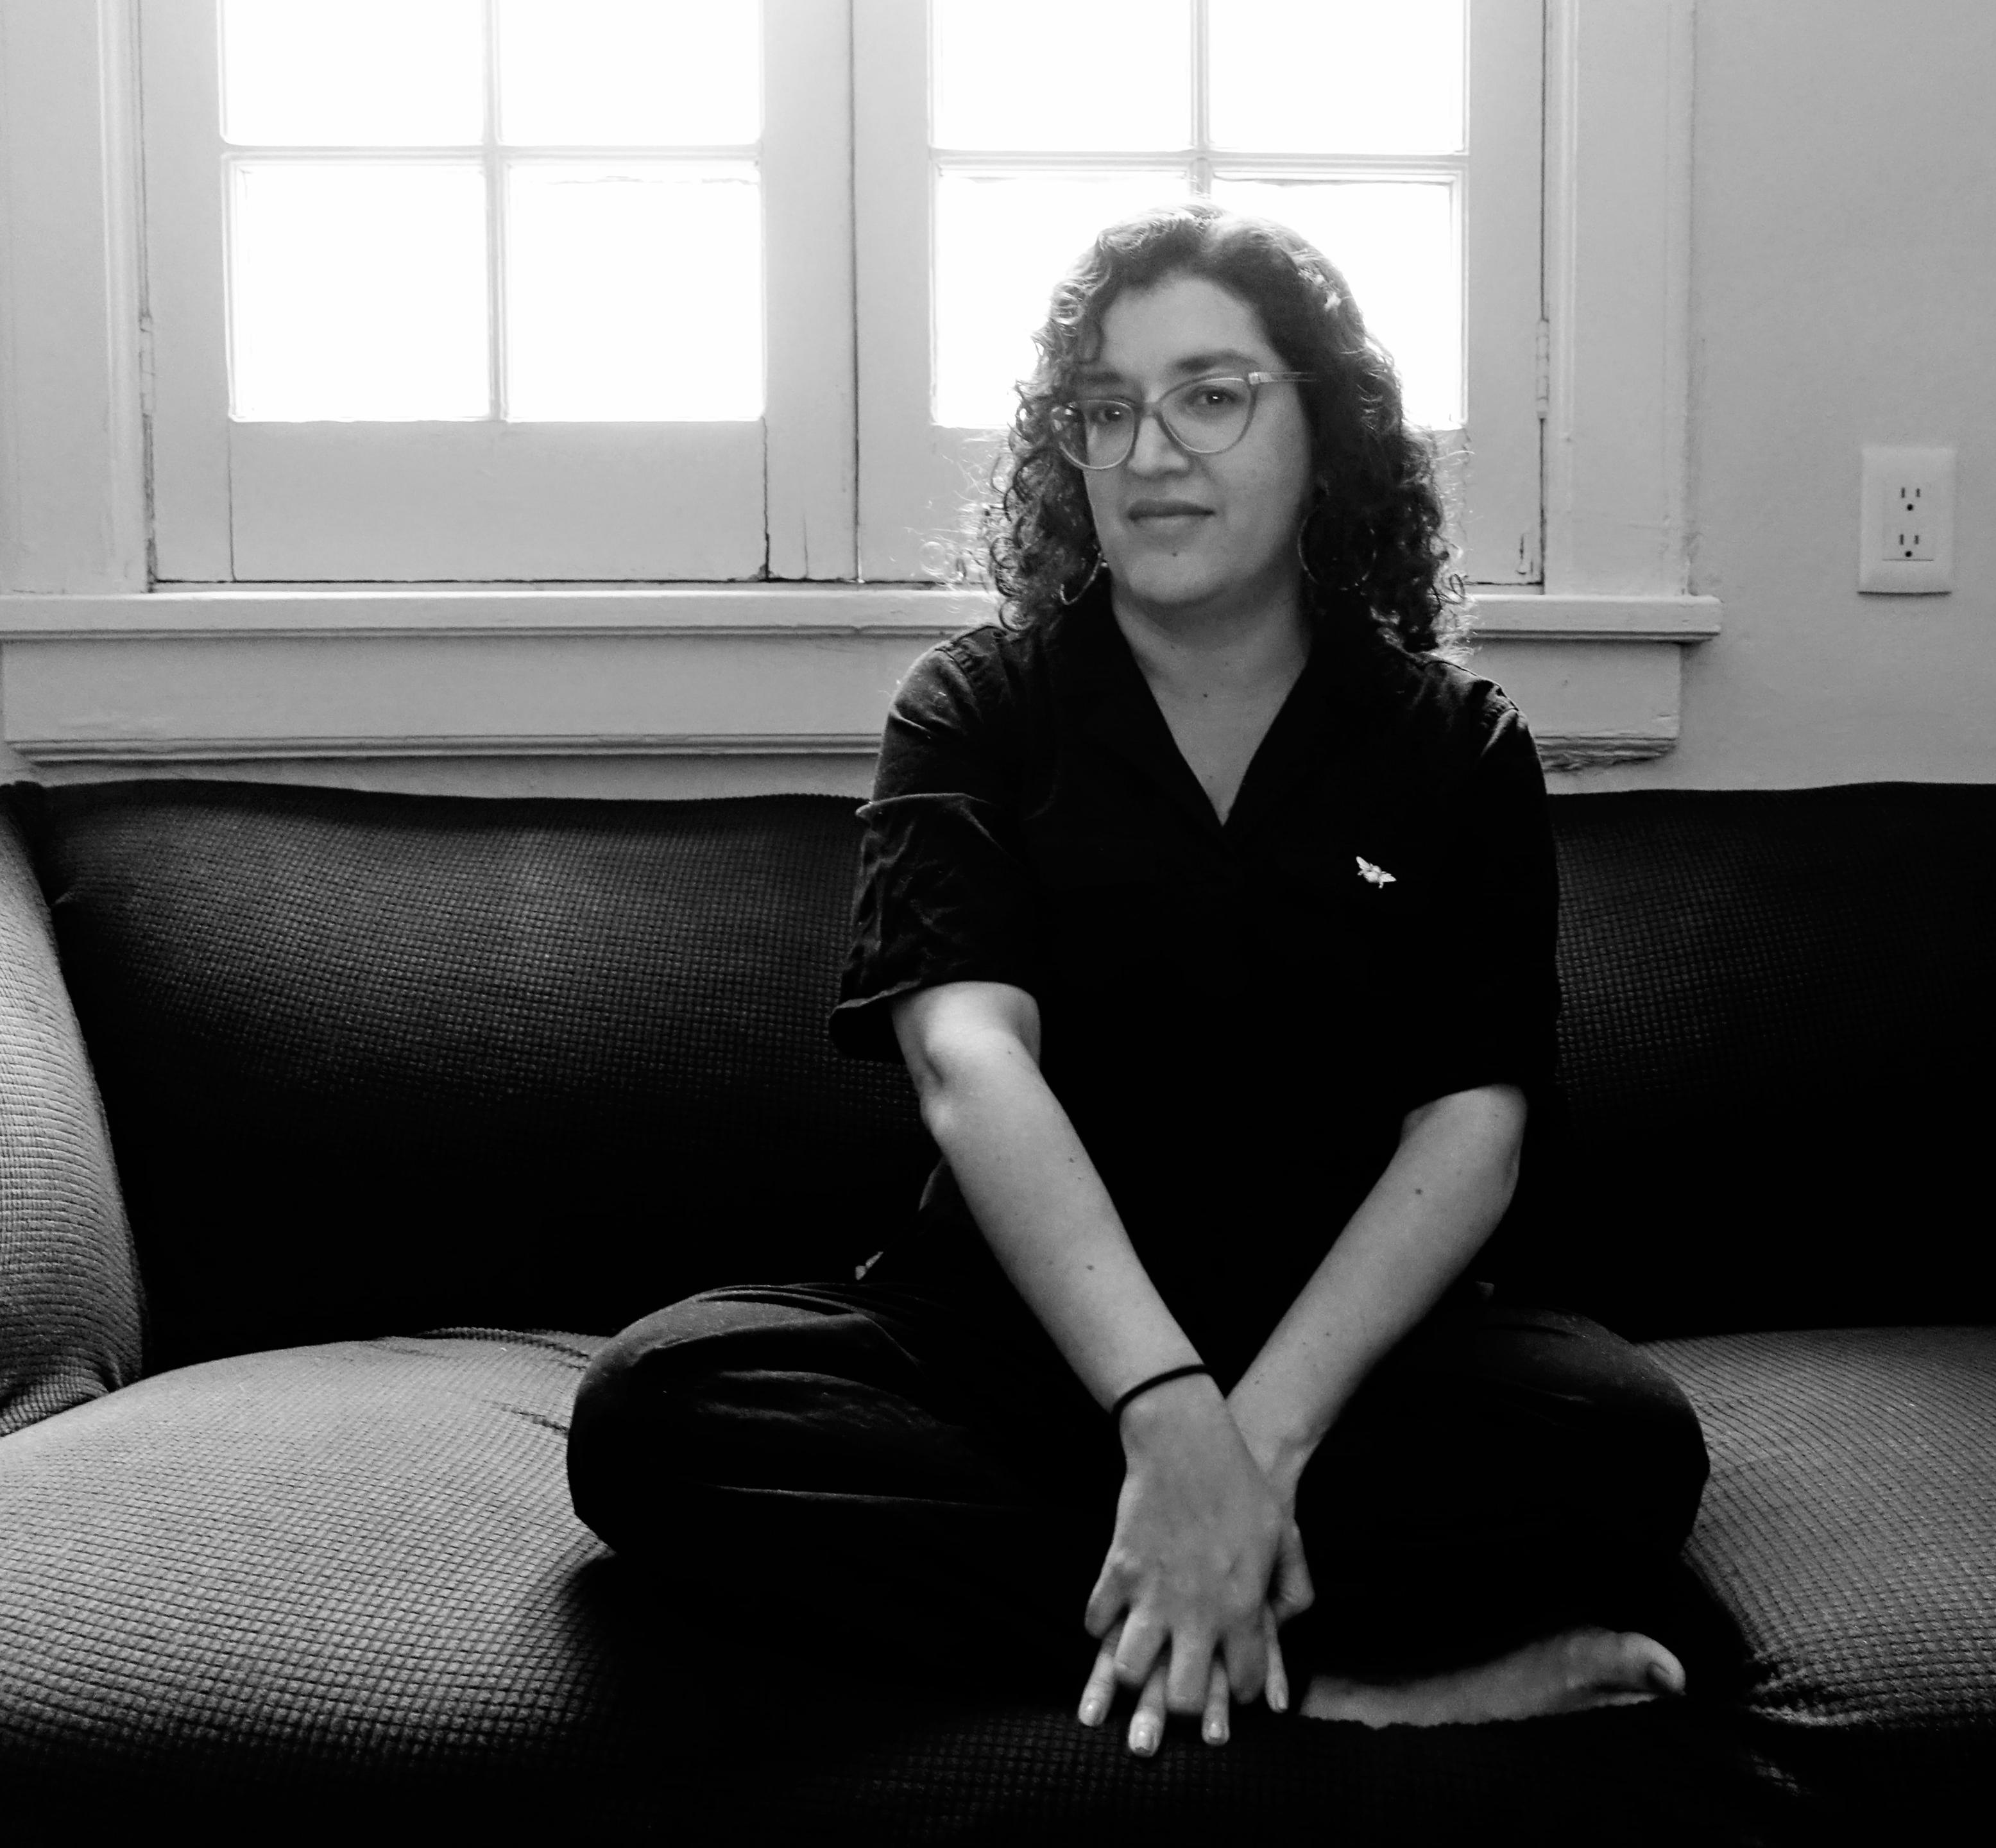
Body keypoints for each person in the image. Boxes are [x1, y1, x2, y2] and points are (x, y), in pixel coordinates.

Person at [567, 201, 1709, 1758]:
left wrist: (1253, 1443)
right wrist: (1162, 1412)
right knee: (653, 1417)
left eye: (1210, 395)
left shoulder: (1456, 746)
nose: (1151, 450)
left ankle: (1175, 1609)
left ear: (1327, 431)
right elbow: (970, 1064)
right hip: (1022, 1363)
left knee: (1625, 1449)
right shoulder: (974, 712)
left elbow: (1473, 1126)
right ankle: (1326, 1682)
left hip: (1344, 1370)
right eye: (1106, 409)